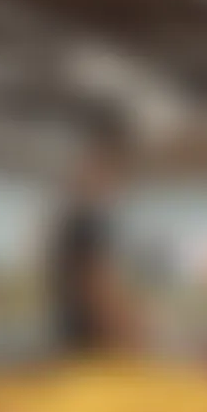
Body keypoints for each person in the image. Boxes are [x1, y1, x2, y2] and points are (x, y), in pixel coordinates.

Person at [48, 114, 139, 352]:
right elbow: (94, 285)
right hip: (90, 343)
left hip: (75, 337)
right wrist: (126, 325)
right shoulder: (87, 221)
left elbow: (94, 282)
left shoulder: (71, 219)